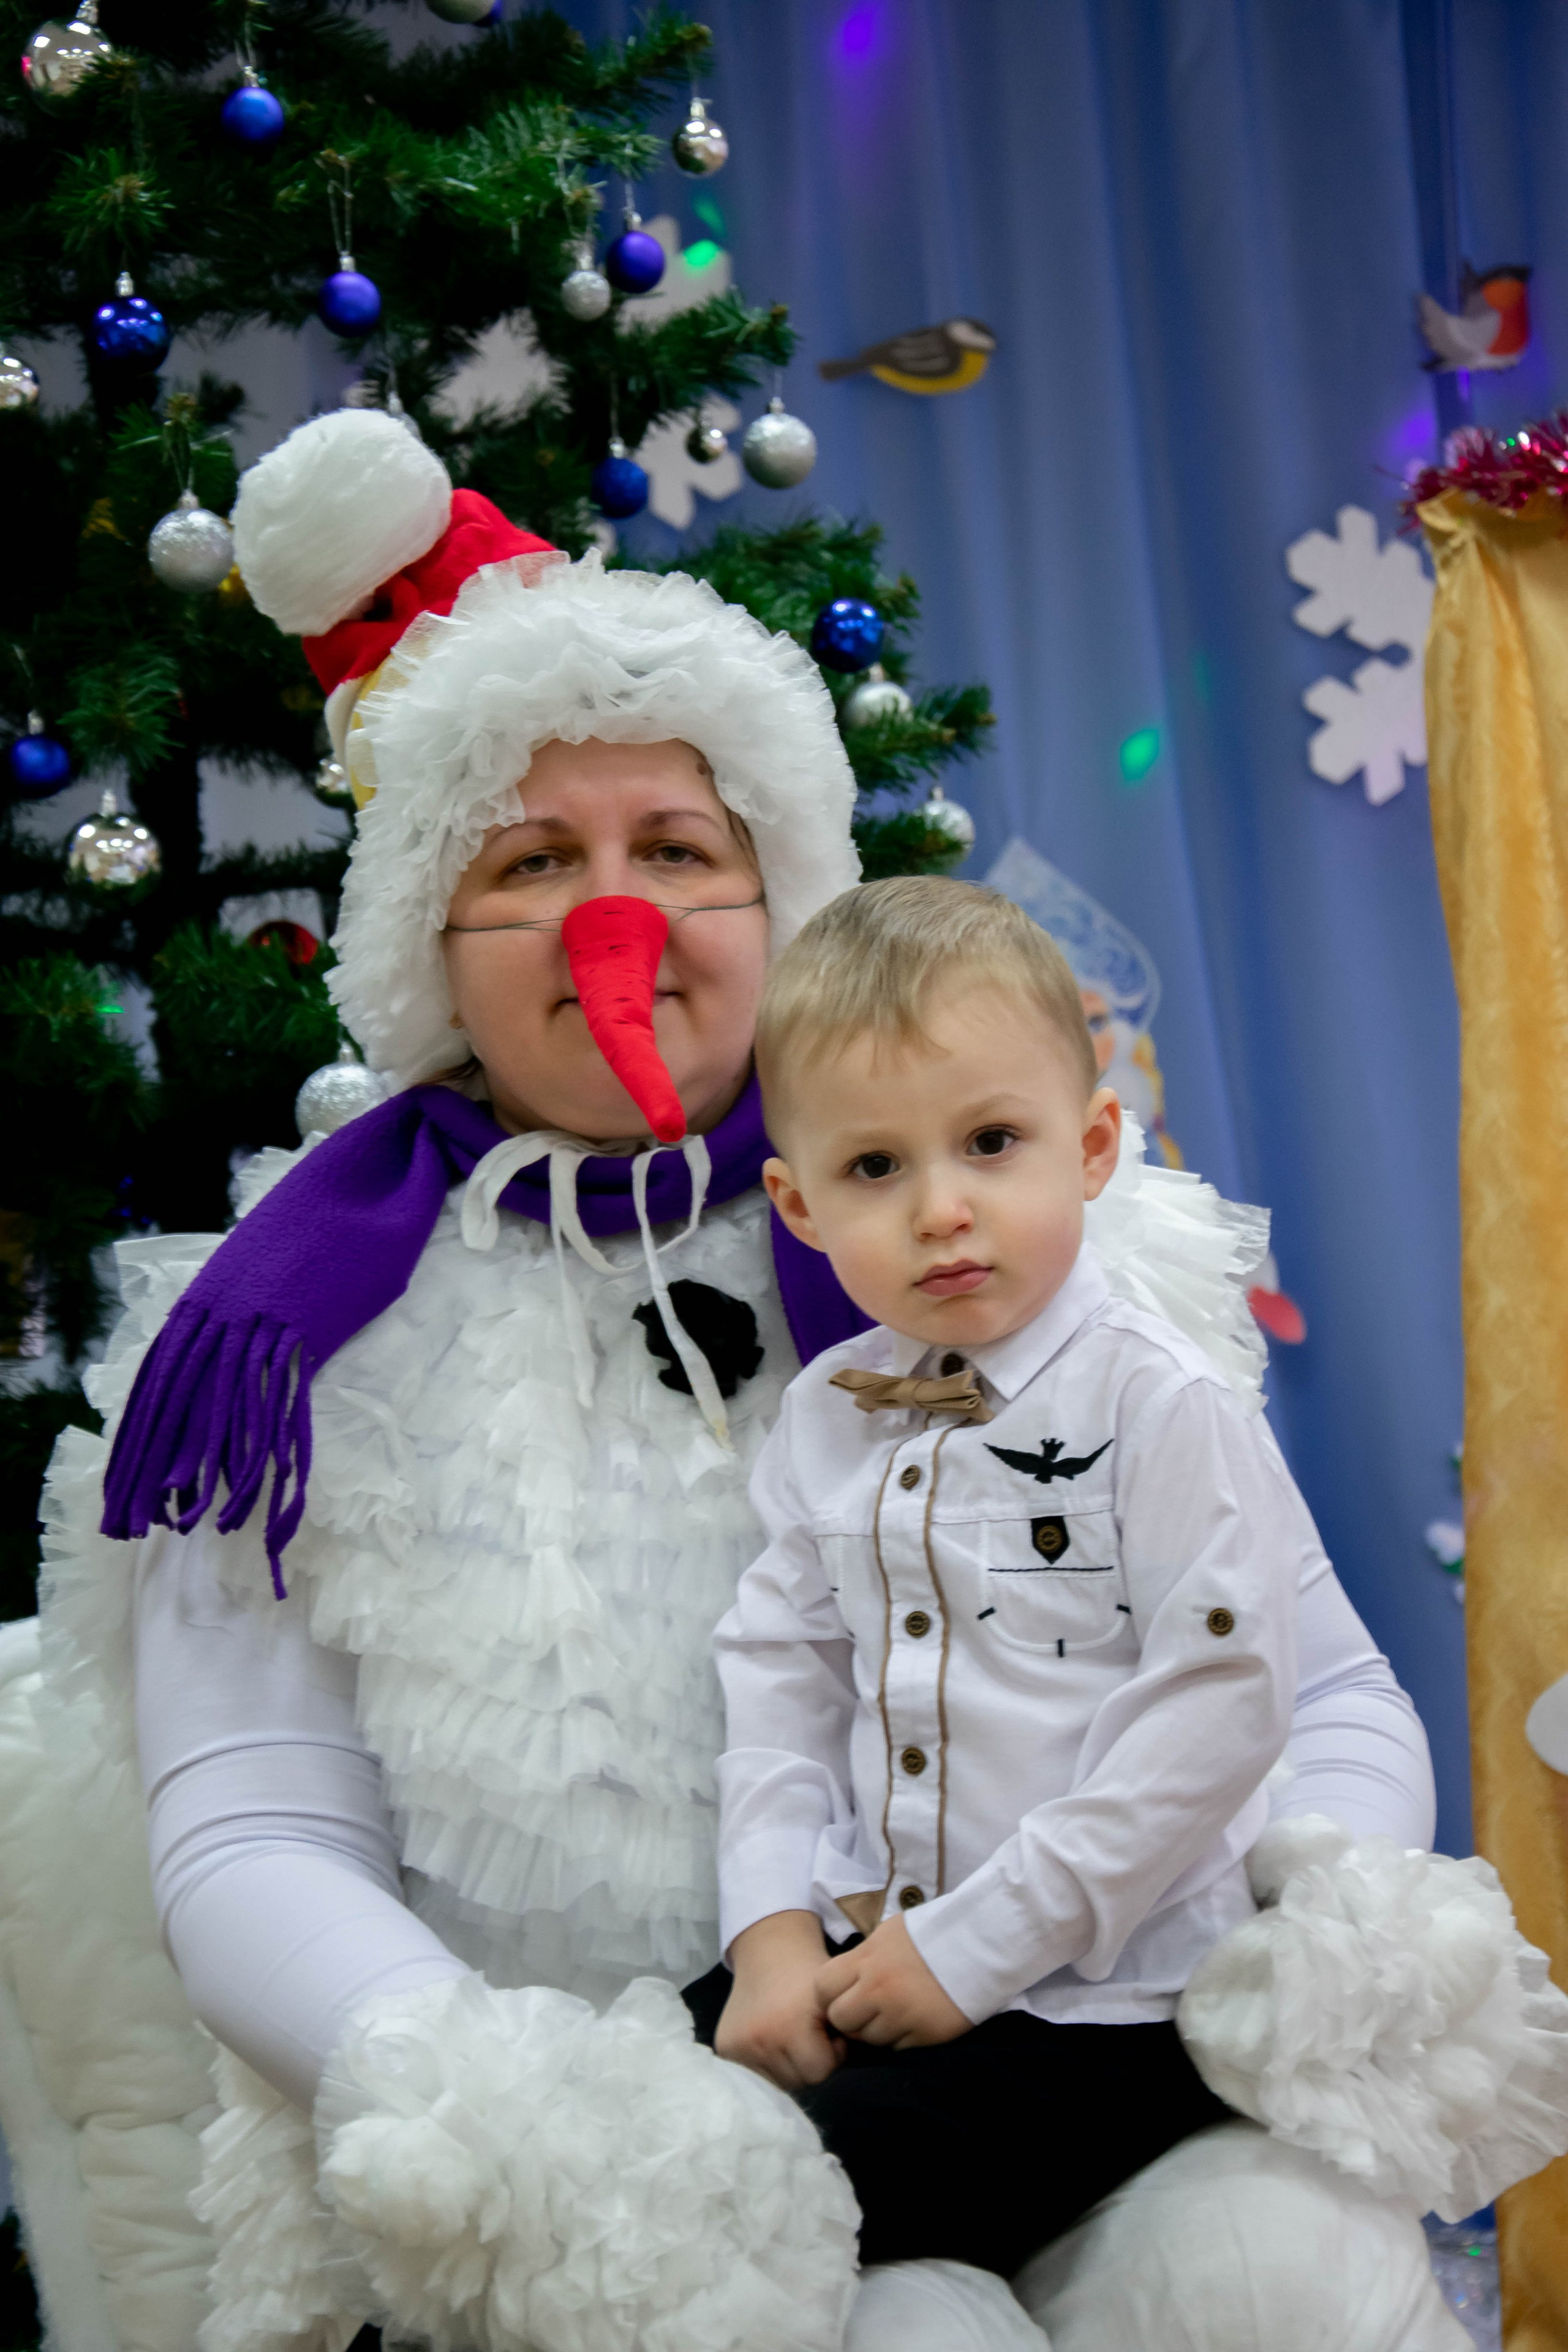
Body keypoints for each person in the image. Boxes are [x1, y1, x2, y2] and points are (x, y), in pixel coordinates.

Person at [3, 404, 1512, 2352]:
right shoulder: (267, 1349)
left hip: (1051, 2037)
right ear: (430, 941)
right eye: (532, 855)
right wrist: (523, 2111)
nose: (612, 910)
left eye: (678, 847)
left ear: (773, 899)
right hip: (580, 2143)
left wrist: (1310, 1902)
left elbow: (1310, 1689)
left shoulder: (1043, 1258)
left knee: (1284, 2270)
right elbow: (254, 1841)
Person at [708, 878, 1294, 2275]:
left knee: (783, 2209)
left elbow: (1220, 1709)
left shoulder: (1161, 1405)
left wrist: (978, 1948)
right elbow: (778, 1679)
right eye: (873, 1169)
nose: (941, 1211)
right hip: (867, 1950)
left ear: (1089, 1146)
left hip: (1106, 2005)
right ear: (794, 1201)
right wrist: (767, 1933)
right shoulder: (827, 1412)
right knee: (604, 2128)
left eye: (988, 1142)